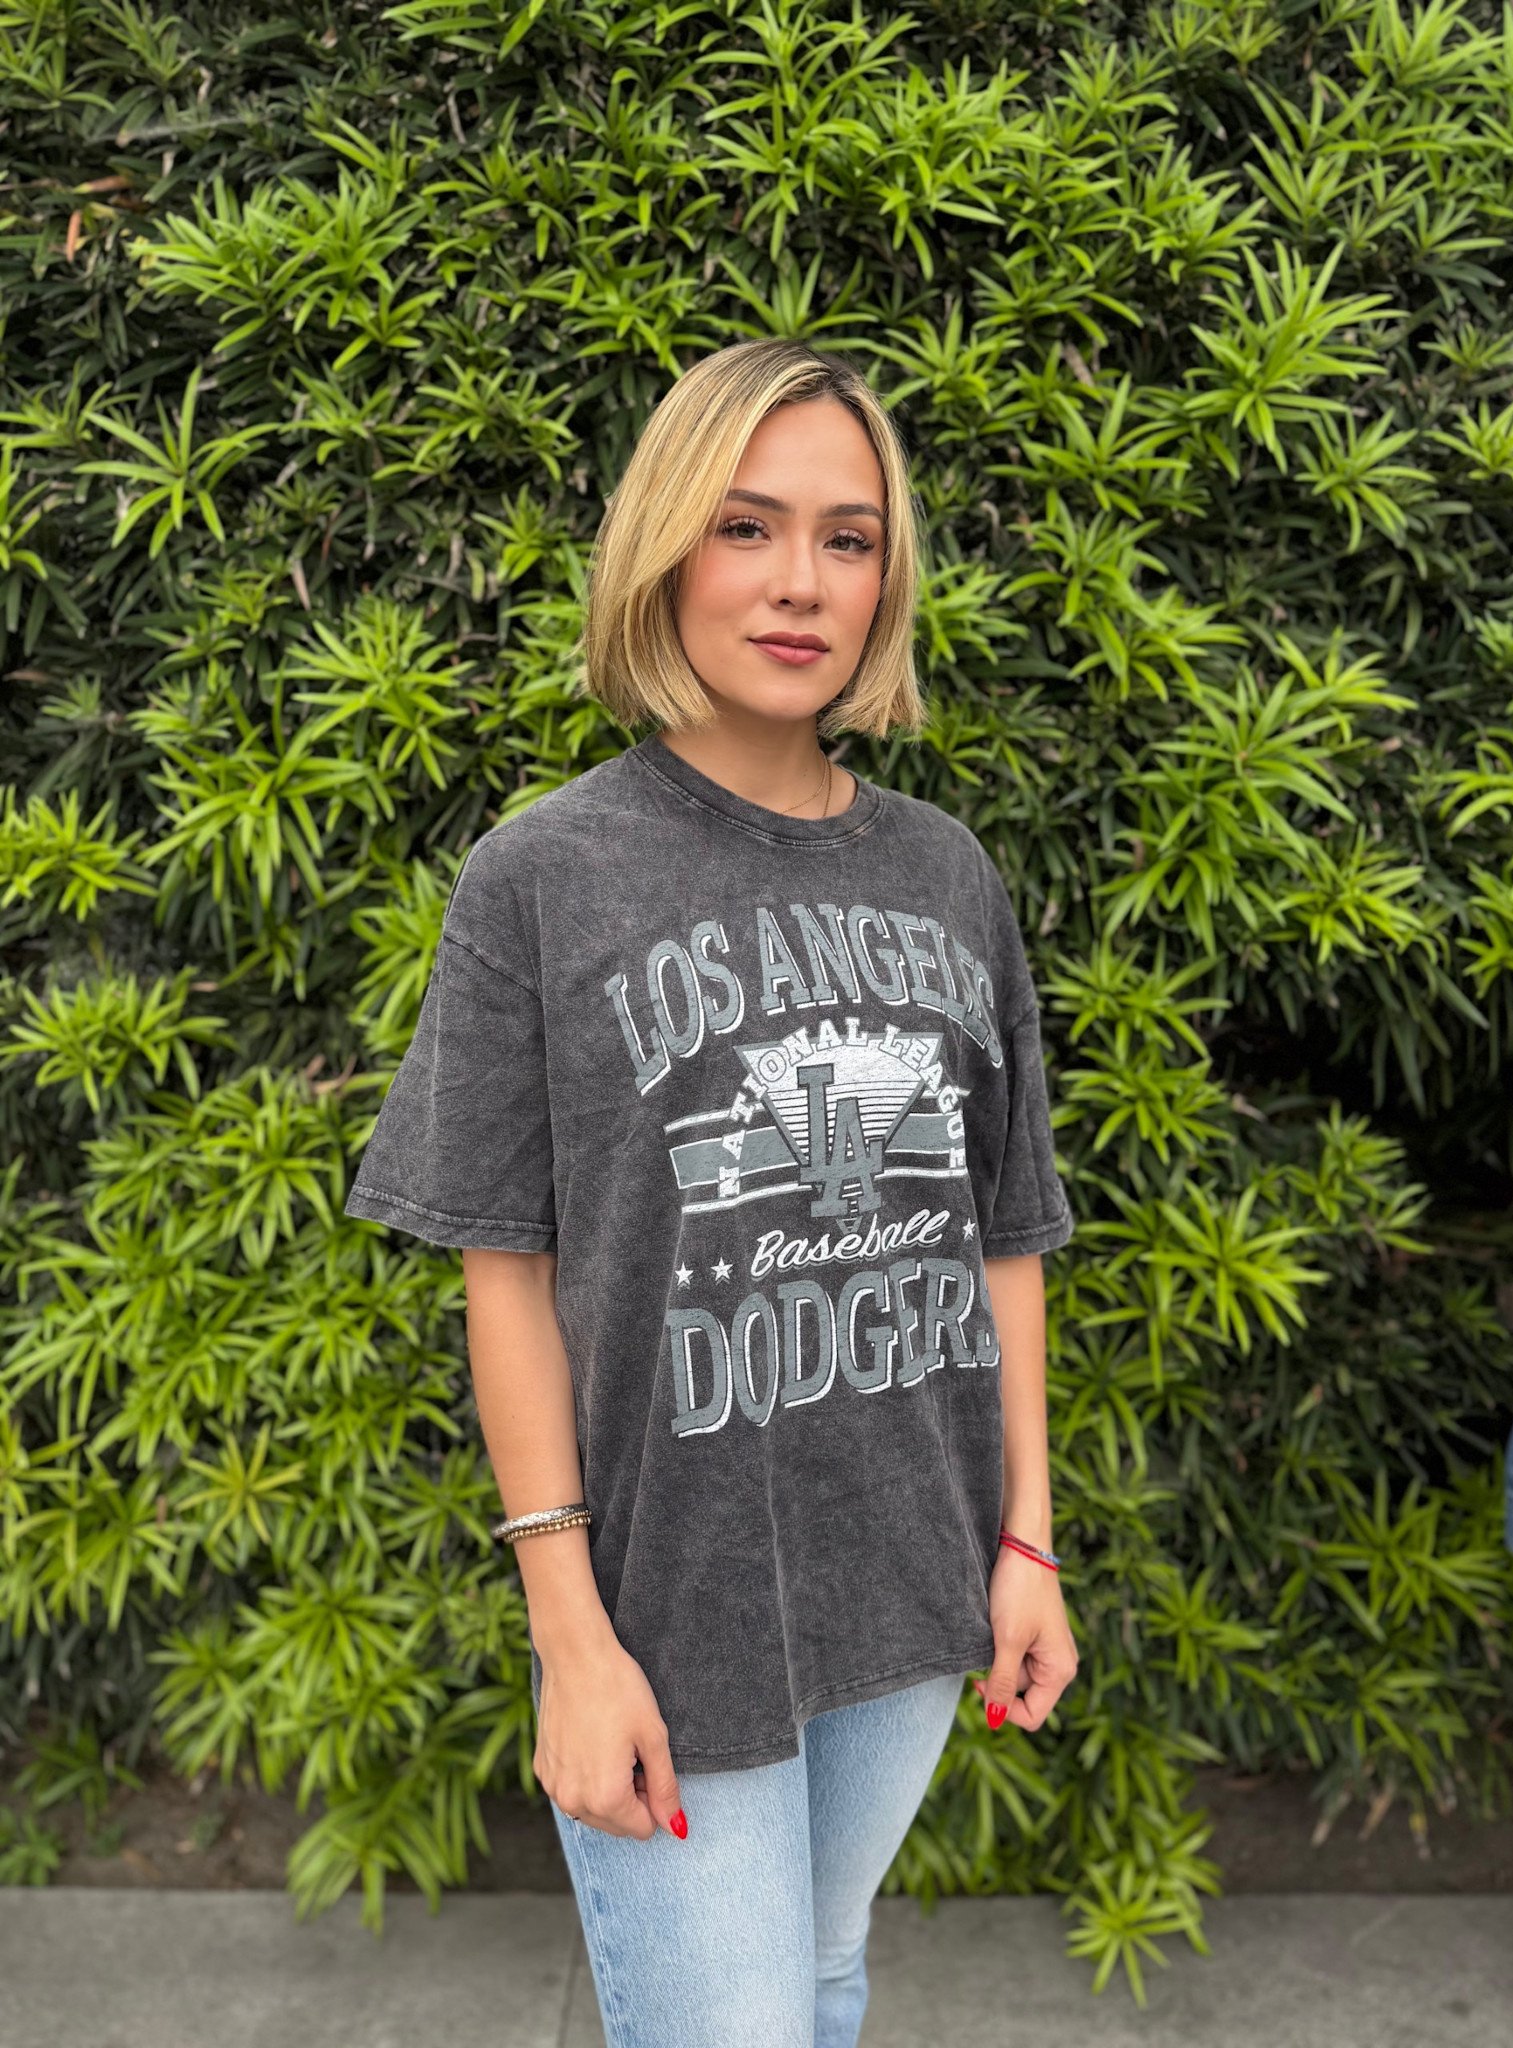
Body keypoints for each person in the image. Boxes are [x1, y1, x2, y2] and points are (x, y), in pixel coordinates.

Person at [341, 337, 1080, 2046]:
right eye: (747, 526)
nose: (800, 581)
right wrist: (571, 1636)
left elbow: (1003, 1235)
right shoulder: (544, 873)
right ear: (666, 548)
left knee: (819, 1977)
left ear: (887, 579)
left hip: (912, 1571)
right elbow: (508, 1271)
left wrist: (1027, 1537)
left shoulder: (945, 873)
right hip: (677, 1606)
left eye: (848, 537)